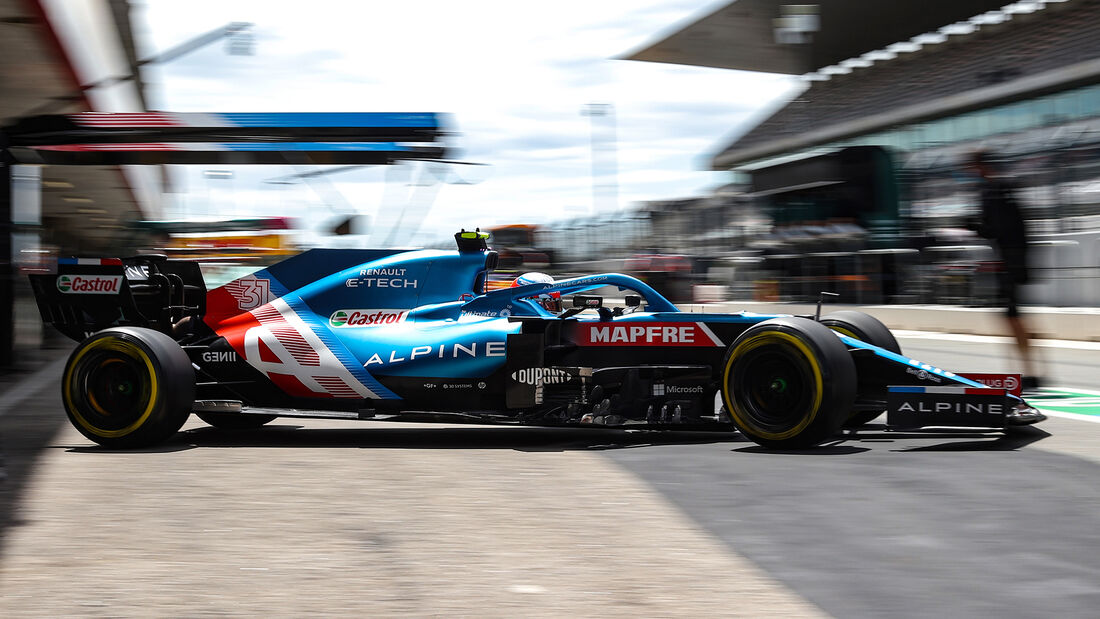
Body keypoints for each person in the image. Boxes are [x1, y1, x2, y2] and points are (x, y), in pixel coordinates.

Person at [968, 150, 1041, 391]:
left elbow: (995, 228)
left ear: (980, 167)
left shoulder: (992, 191)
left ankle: (1029, 371)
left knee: (1012, 316)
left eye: (972, 167)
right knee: (1015, 315)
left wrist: (973, 227)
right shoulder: (1005, 188)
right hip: (1016, 257)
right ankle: (1030, 370)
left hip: (1009, 260)